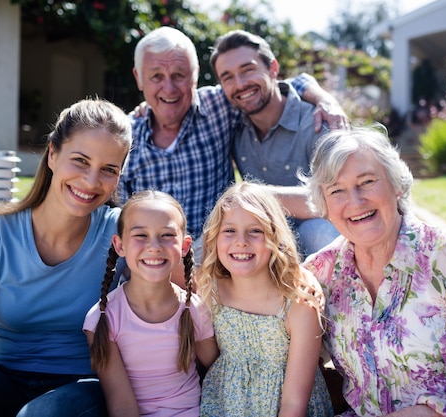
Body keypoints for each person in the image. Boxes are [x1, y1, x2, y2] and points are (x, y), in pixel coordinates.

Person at [300, 126, 446, 416]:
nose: (356, 201)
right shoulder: (320, 272)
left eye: (367, 181)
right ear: (323, 205)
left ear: (396, 184)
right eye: (337, 190)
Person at [0, 98, 133, 417]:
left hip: (80, 390)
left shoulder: (122, 233)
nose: (91, 181)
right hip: (0, 383)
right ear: (52, 153)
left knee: (43, 413)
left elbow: (180, 302)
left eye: (109, 169)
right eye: (80, 160)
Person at [118, 26, 348, 268]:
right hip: (155, 257)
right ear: (139, 78)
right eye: (156, 77)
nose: (169, 88)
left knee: (316, 232)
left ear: (195, 76)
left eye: (179, 75)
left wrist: (325, 99)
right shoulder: (125, 137)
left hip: (217, 252)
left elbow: (276, 85)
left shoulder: (218, 108)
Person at [196, 181, 334, 417]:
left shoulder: (299, 306)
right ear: (214, 238)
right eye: (229, 230)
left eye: (255, 230)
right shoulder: (209, 290)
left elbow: (293, 405)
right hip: (224, 407)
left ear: (275, 238)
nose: (241, 241)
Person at [83, 190, 218, 417]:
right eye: (140, 235)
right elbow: (122, 404)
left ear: (184, 247)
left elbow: (219, 374)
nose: (154, 246)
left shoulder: (194, 309)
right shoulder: (103, 318)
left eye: (166, 235)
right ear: (120, 245)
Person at [210, 29, 340, 257]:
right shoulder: (233, 125)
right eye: (228, 77)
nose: (240, 84)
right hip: (269, 239)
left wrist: (254, 195)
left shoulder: (317, 123)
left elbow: (335, 198)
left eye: (248, 69)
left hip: (321, 237)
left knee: (316, 232)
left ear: (273, 69)